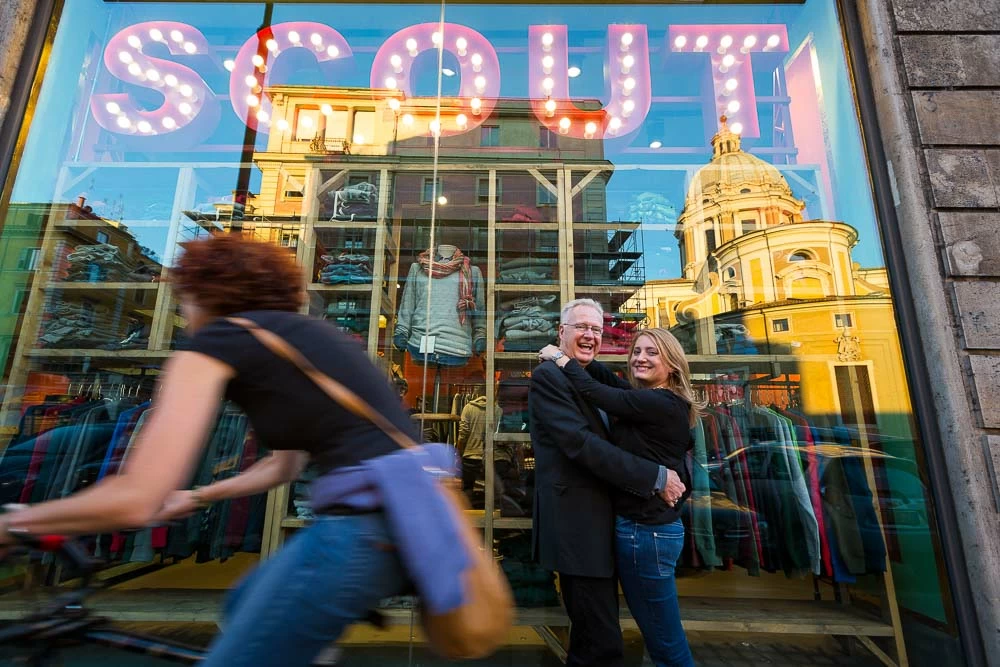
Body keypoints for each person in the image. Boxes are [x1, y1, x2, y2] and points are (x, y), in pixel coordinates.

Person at [0, 234, 443, 667]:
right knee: (243, 607)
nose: (182, 310)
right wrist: (198, 496)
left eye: (183, 299)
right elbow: (283, 465)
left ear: (202, 293)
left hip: (354, 538)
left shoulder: (217, 342)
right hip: (398, 530)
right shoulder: (303, 338)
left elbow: (134, 501)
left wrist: (18, 524)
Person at [529, 298, 686, 667]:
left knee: (599, 638)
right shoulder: (549, 378)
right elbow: (581, 444)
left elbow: (599, 384)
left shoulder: (592, 378)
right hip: (579, 528)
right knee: (598, 643)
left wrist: (562, 357)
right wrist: (654, 476)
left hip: (611, 527)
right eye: (581, 327)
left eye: (597, 329)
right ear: (561, 331)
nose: (590, 335)